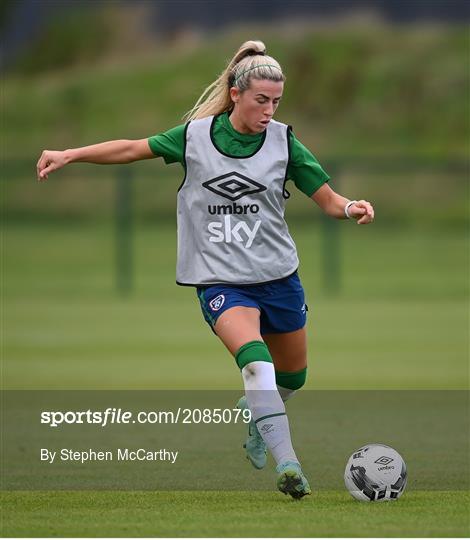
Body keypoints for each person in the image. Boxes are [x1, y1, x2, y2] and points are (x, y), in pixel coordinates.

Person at [37, 40, 374, 500]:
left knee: (292, 376)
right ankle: (289, 464)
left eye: (276, 101)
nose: (269, 110)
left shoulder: (284, 141)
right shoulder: (195, 137)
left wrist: (352, 206)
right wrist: (71, 154)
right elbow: (132, 148)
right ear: (236, 94)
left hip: (278, 278)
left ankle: (258, 416)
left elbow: (330, 200)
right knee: (256, 366)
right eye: (261, 100)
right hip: (220, 281)